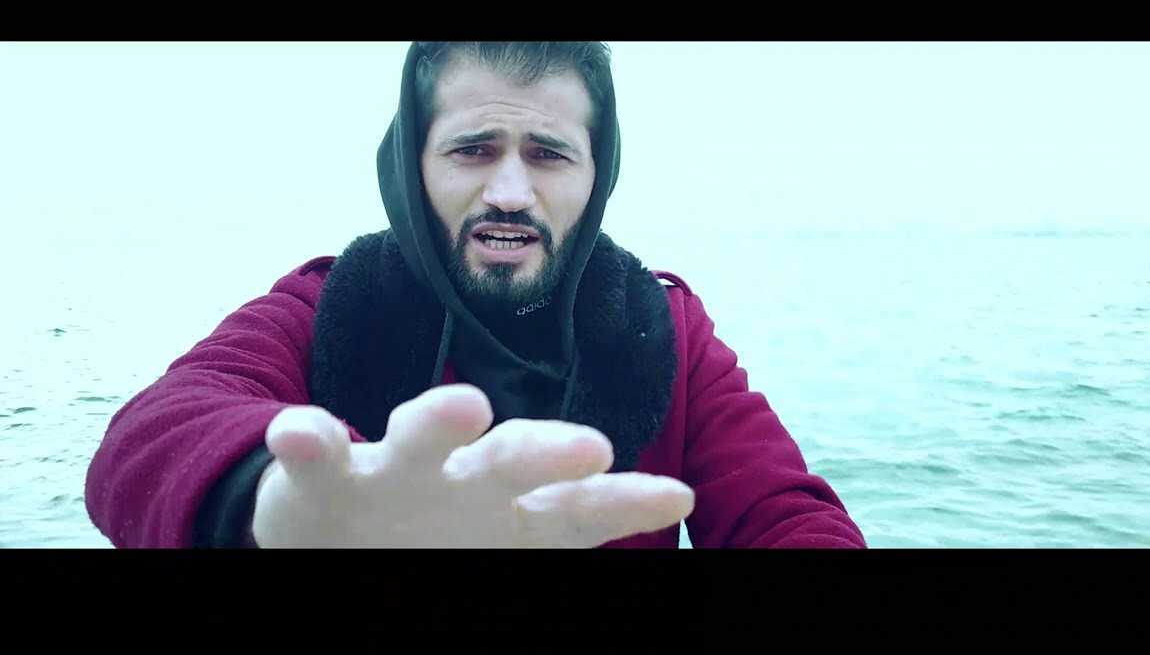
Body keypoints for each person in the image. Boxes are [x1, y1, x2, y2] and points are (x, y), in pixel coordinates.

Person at [84, 42, 867, 548]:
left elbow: (785, 515)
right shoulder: (327, 304)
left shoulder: (664, 325)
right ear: (413, 165)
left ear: (598, 176)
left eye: (549, 154)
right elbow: (148, 437)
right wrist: (282, 505)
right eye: (473, 149)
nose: (510, 192)